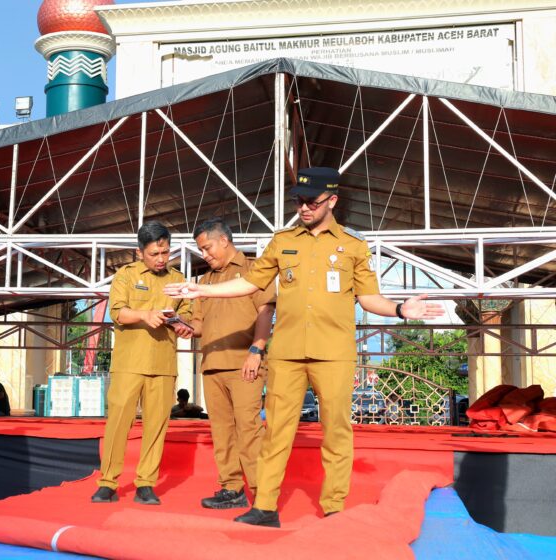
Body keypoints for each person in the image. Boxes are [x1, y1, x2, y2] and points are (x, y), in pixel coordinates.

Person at [165, 167, 445, 527]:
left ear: (332, 201)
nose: (304, 207)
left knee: (336, 432)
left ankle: (333, 508)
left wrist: (401, 309)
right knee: (276, 431)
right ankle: (265, 506)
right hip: (287, 354)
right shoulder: (281, 242)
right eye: (299, 201)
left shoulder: (353, 245)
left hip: (333, 353)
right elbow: (250, 284)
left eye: (311, 201)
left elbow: (369, 298)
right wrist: (201, 289)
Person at [91, 221, 193, 506]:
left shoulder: (178, 279)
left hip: (163, 364)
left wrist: (183, 326)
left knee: (156, 426)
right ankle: (108, 483)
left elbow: (187, 314)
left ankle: (146, 483)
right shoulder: (125, 275)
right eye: (154, 254)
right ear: (140, 253)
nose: (161, 259)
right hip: (129, 363)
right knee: (118, 424)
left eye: (165, 252)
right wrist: (145, 315)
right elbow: (117, 312)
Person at [190, 218, 276, 510]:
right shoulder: (205, 281)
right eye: (201, 250)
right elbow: (198, 324)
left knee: (249, 429)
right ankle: (232, 489)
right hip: (212, 365)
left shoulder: (254, 270)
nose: (205, 254)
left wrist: (257, 350)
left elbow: (265, 313)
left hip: (244, 363)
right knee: (222, 432)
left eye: (207, 247)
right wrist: (183, 325)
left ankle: (262, 495)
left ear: (224, 240)